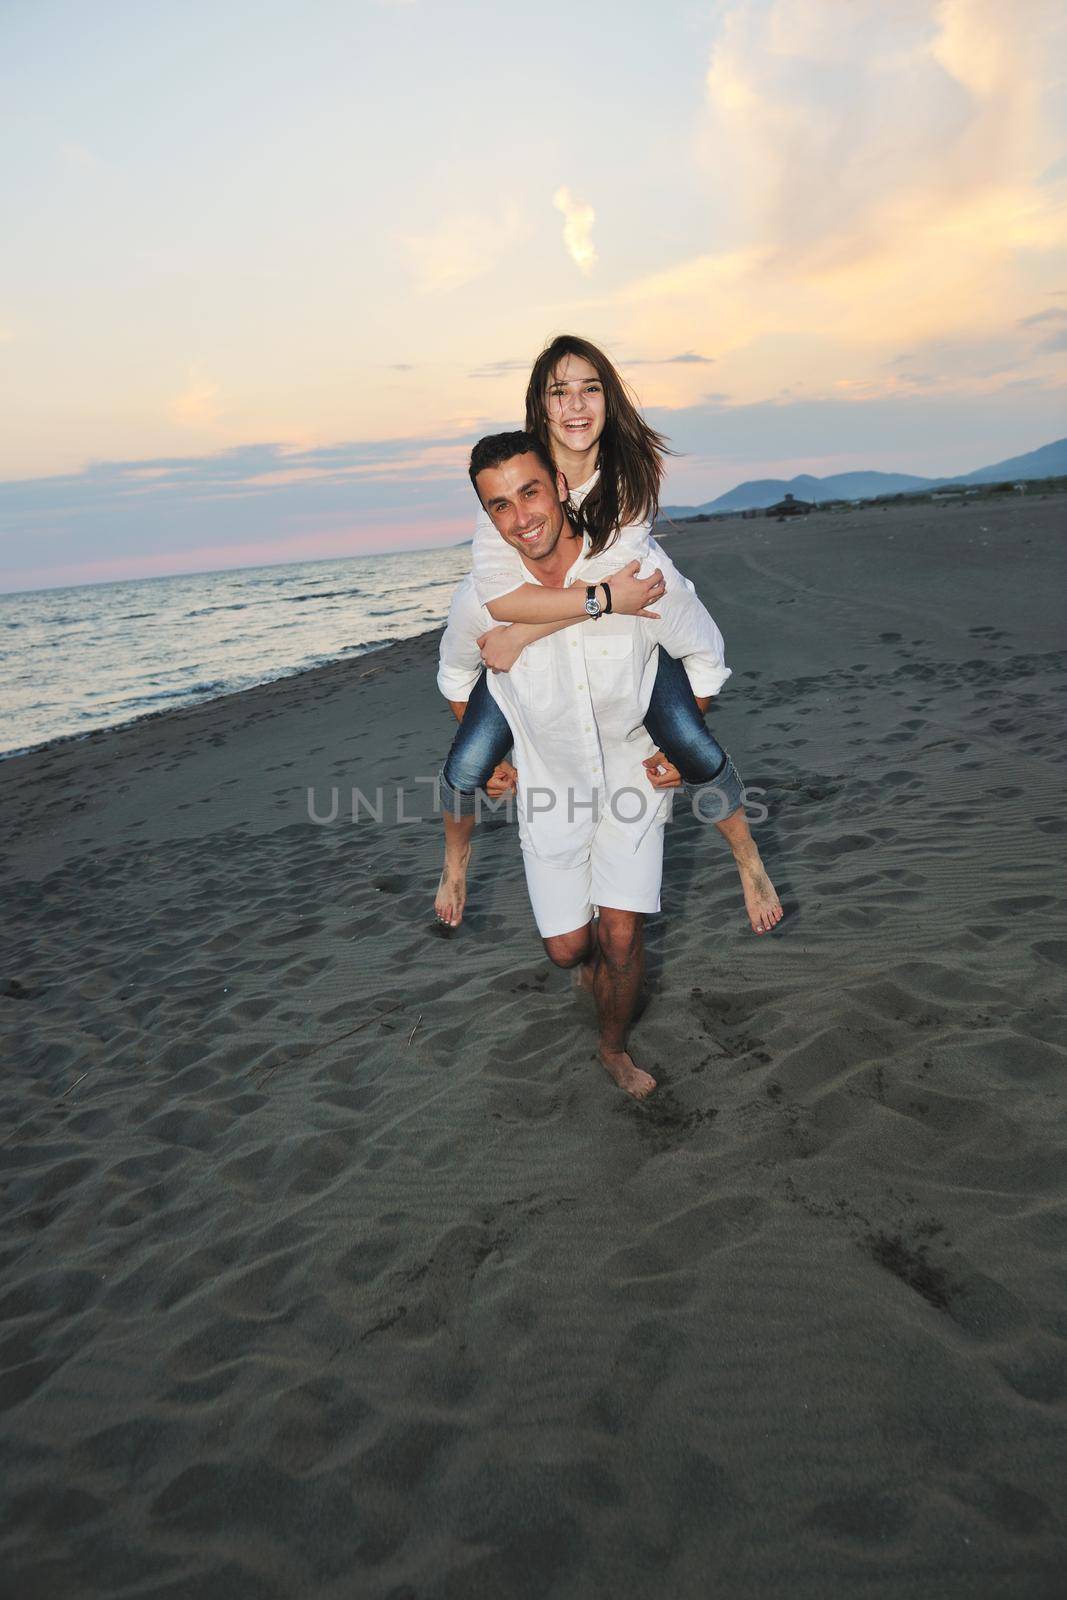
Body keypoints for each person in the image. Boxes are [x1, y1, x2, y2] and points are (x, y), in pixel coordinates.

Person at [437, 432, 781, 1099]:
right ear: (488, 518)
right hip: (547, 792)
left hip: (632, 782)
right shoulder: (478, 601)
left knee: (621, 940)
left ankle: (612, 1046)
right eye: (500, 505)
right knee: (569, 949)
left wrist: (675, 743)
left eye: (531, 491)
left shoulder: (631, 571)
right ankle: (586, 970)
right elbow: (456, 678)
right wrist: (498, 755)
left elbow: (704, 655)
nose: (521, 516)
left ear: (561, 488)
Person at [434, 334, 782, 937]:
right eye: (559, 391)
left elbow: (618, 591)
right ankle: (454, 862)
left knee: (691, 745)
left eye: (589, 388)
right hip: (582, 617)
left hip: (633, 613)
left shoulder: (626, 483)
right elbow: (504, 599)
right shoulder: (513, 483)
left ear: (608, 399)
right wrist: (523, 633)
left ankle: (748, 858)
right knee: (465, 764)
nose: (575, 405)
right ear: (539, 408)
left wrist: (518, 638)